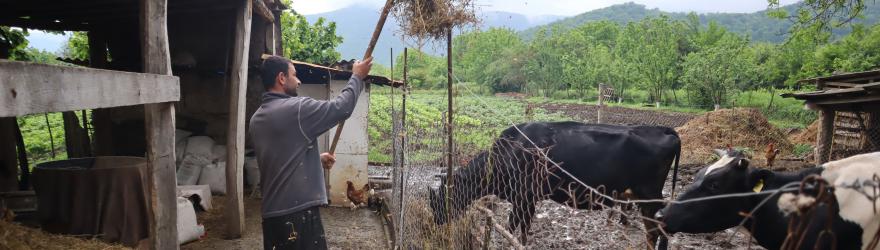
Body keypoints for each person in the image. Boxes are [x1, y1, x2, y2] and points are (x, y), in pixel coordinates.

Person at [249, 55, 373, 250]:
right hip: (298, 215)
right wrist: (357, 77)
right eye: (294, 75)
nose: (298, 81)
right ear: (281, 78)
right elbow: (341, 108)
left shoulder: (256, 119)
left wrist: (315, 159)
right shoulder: (296, 109)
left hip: (271, 216)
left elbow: (280, 160)